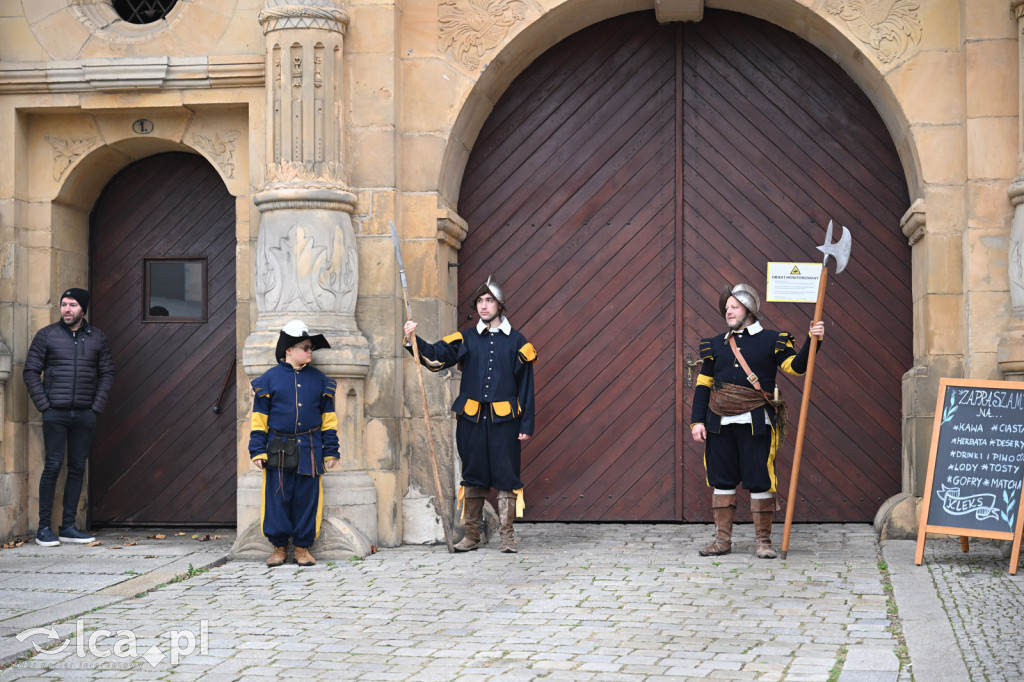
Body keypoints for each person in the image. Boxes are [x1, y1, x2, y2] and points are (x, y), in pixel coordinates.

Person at [403, 275, 537, 553]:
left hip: (505, 422)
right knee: (473, 474)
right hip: (471, 420)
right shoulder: (466, 337)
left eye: (489, 301)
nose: (483, 306)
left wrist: (526, 423)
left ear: (500, 305)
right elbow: (436, 356)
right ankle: (472, 535)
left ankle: (507, 537)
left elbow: (526, 387)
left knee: (506, 476)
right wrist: (413, 339)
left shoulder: (517, 342)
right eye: (479, 301)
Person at [690, 283, 824, 559]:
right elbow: (704, 385)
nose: (728, 312)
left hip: (756, 422)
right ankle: (722, 541)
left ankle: (763, 542)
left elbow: (796, 368)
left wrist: (813, 339)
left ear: (749, 310)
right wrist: (697, 422)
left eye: (734, 307)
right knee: (722, 480)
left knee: (760, 479)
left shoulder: (772, 340)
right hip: (719, 424)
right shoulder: (715, 344)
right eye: (726, 308)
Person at [24, 287, 114, 547]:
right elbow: (31, 371)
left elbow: (107, 374)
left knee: (76, 468)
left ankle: (68, 527)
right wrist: (45, 405)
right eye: (63, 304)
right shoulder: (47, 336)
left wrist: (95, 407)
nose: (66, 309)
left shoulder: (97, 338)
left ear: (82, 309)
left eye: (72, 305)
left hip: (85, 413)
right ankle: (43, 528)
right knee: (52, 467)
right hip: (56, 413)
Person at [248, 320, 340, 567]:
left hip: (311, 447)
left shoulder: (322, 382)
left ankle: (302, 548)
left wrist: (331, 451)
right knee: (277, 499)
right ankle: (279, 547)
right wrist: (257, 450)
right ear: (288, 349)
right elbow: (259, 420)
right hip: (277, 448)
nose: (310, 351)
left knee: (307, 499)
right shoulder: (268, 380)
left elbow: (329, 421)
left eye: (311, 347)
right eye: (305, 347)